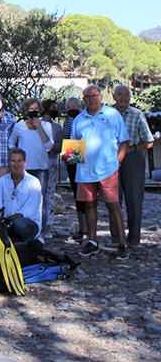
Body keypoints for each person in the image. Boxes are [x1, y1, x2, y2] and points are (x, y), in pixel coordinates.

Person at [72, 85, 130, 260]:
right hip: (85, 171)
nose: (91, 99)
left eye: (94, 96)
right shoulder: (79, 119)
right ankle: (93, 241)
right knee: (89, 205)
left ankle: (121, 244)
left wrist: (117, 160)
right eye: (87, 97)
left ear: (100, 96)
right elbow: (74, 146)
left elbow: (124, 140)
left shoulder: (113, 115)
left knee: (113, 205)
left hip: (108, 170)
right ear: (84, 99)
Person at [113, 85, 153, 248]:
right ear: (114, 97)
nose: (123, 98)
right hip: (112, 159)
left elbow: (149, 142)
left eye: (126, 95)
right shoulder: (108, 115)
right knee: (113, 200)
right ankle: (116, 237)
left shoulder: (137, 114)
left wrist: (133, 148)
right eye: (120, 95)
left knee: (134, 199)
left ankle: (134, 237)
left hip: (132, 158)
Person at [8, 98, 53, 235]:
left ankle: (41, 232)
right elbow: (11, 142)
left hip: (41, 167)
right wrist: (15, 158)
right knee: (21, 198)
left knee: (41, 200)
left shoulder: (46, 125)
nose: (34, 112)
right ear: (25, 111)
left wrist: (39, 126)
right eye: (30, 109)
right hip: (24, 169)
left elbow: (49, 145)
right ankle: (22, 230)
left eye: (36, 109)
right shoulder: (19, 126)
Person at [0, 148, 42, 242]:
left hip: (27, 223)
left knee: (19, 224)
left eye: (19, 161)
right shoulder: (2, 181)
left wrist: (10, 219)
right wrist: (1, 219)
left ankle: (26, 245)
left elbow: (29, 211)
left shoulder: (33, 182)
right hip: (7, 223)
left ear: (25, 163)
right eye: (13, 161)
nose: (16, 165)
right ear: (8, 163)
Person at [63, 97, 88, 242]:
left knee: (87, 196)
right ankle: (81, 227)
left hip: (85, 163)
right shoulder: (67, 122)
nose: (71, 108)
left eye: (74, 106)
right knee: (77, 195)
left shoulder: (85, 119)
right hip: (72, 162)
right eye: (69, 107)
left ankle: (89, 228)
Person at [41, 99, 64, 238]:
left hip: (52, 163)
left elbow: (60, 147)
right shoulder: (36, 125)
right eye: (53, 108)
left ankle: (48, 226)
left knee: (49, 195)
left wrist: (50, 148)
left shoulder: (57, 128)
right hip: (38, 163)